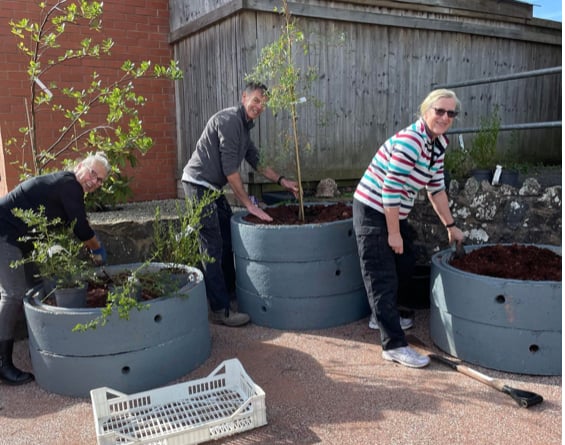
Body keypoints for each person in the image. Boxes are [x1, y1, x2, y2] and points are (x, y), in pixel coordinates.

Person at [353, 89, 465, 368]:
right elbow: (390, 189)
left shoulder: (438, 143)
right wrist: (393, 233)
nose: (444, 117)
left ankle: (380, 316)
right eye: (439, 110)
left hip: (393, 211)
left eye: (451, 113)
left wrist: (450, 225)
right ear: (425, 110)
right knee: (382, 273)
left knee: (405, 261)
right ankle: (393, 345)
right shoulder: (410, 142)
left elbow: (436, 188)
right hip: (373, 208)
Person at [182, 82, 299, 327]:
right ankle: (219, 310)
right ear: (244, 97)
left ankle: (227, 294)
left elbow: (256, 160)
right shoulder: (229, 121)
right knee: (211, 246)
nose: (259, 106)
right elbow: (230, 171)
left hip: (211, 188)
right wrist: (249, 204)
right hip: (198, 184)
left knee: (226, 236)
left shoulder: (244, 129)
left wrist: (282, 180)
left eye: (263, 103)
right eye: (256, 100)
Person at [0, 152, 110, 385]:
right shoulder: (70, 184)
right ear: (80, 166)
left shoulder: (67, 186)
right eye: (93, 173)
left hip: (20, 241)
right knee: (13, 294)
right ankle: (2, 363)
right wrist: (97, 248)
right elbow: (81, 229)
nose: (94, 181)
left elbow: (77, 221)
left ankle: (40, 345)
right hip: (4, 233)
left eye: (100, 180)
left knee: (36, 287)